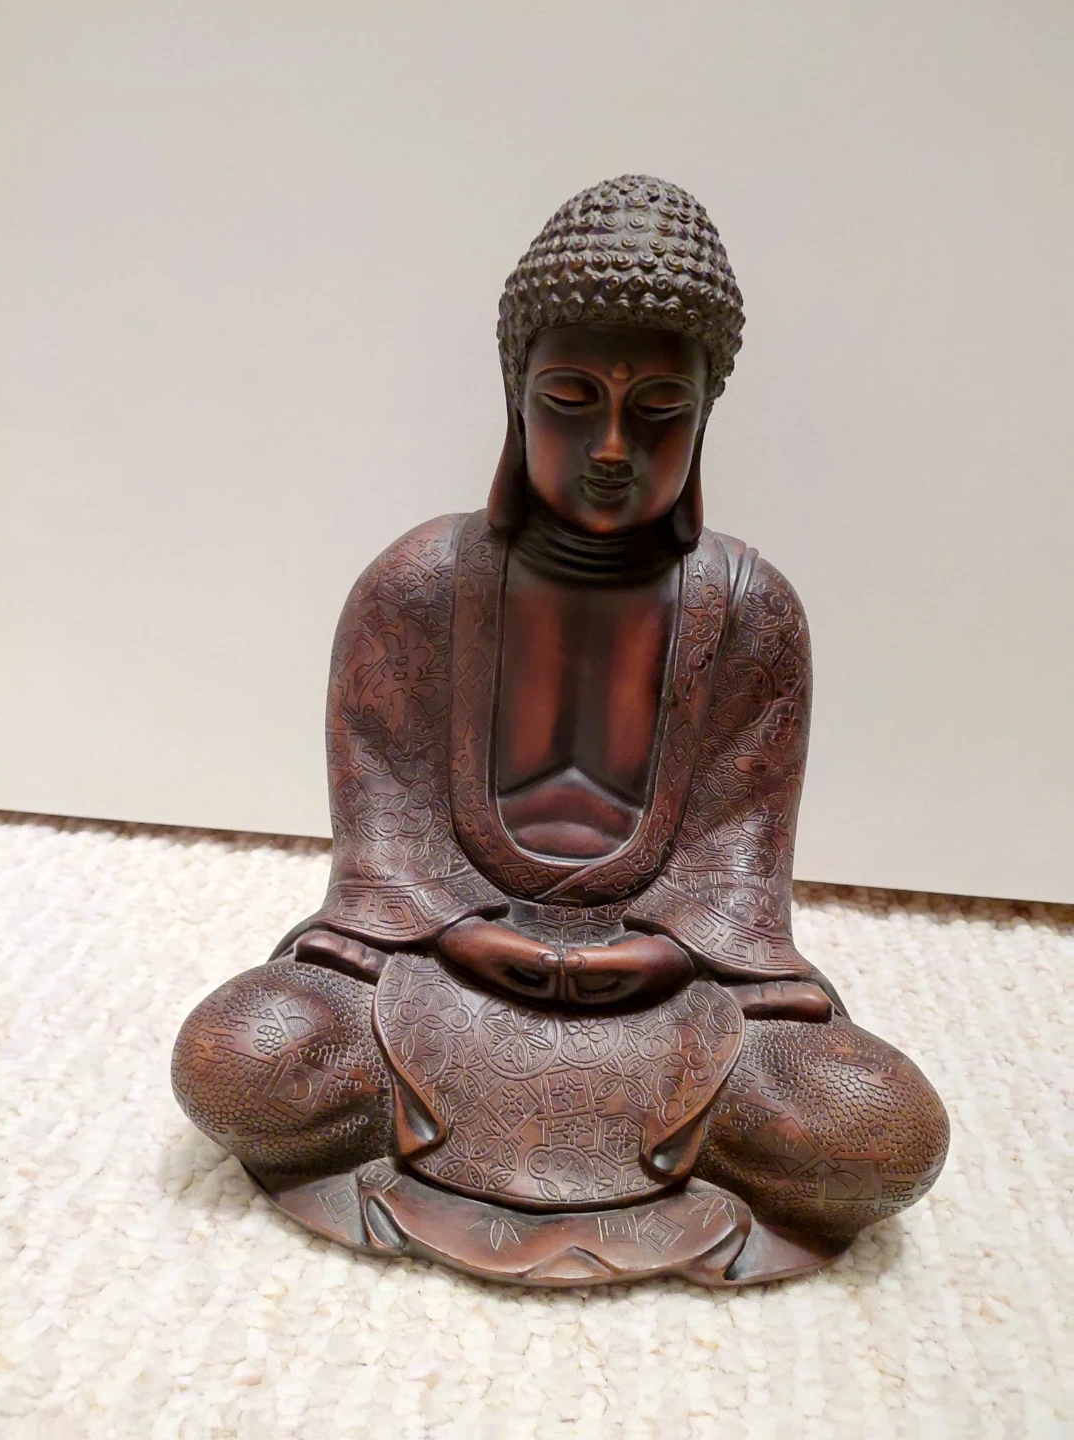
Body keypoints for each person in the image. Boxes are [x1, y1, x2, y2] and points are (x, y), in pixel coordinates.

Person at [173, 176, 947, 1286]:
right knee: (243, 1058)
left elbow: (739, 867)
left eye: (660, 410)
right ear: (516, 398)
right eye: (573, 398)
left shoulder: (752, 612)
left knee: (879, 1131)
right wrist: (465, 934)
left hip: (676, 992)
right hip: (430, 969)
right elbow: (384, 842)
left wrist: (658, 950)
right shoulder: (418, 584)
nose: (613, 445)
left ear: (706, 416)